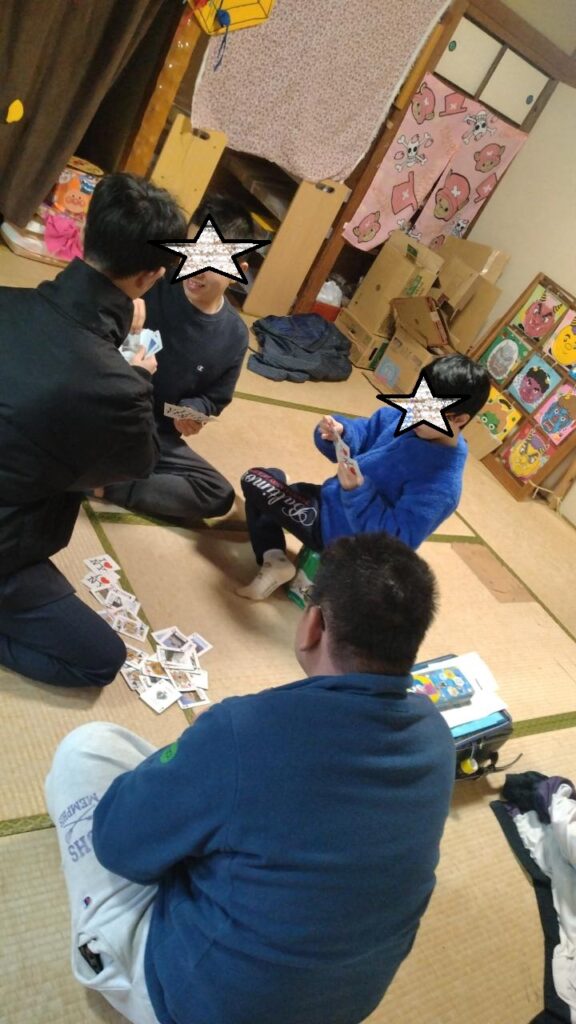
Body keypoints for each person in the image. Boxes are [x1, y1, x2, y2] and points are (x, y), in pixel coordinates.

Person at [45, 531, 455, 1024]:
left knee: (87, 749)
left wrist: (205, 752)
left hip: (194, 1004)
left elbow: (117, 846)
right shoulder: (437, 734)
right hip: (340, 1006)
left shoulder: (245, 730)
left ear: (313, 624)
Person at [0, 172, 186, 688]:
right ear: (151, 276)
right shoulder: (116, 384)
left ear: (84, 232)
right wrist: (139, 380)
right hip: (7, 540)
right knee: (99, 659)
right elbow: (138, 462)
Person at [237, 353, 491, 600]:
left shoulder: (442, 485)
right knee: (272, 479)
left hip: (342, 538)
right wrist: (341, 433)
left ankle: (275, 558)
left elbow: (394, 542)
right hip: (330, 501)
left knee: (256, 480)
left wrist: (358, 492)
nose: (415, 413)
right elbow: (365, 431)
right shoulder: (405, 418)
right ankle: (275, 559)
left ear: (459, 419)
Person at [99, 194, 253, 524]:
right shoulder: (151, 280)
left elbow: (214, 398)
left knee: (217, 494)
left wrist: (195, 410)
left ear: (238, 269)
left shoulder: (235, 335)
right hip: (102, 410)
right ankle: (91, 469)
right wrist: (123, 310)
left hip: (154, 433)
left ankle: (106, 486)